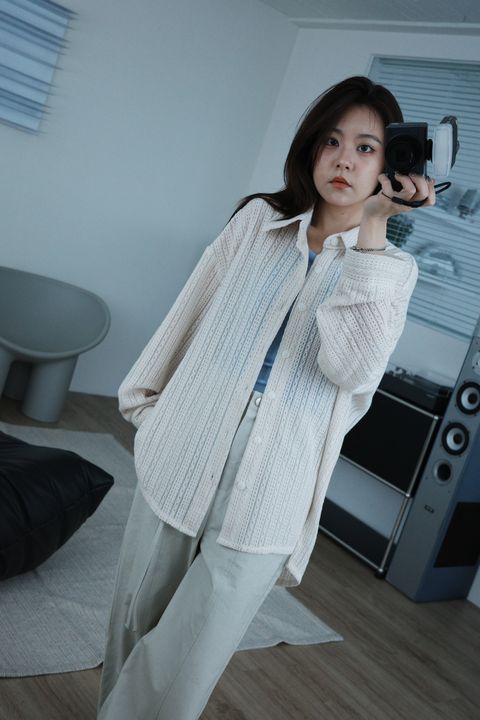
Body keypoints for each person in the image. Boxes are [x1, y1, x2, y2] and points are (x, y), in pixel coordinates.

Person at [97, 75, 434, 720]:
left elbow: (351, 369)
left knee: (187, 662)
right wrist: (149, 410)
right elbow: (189, 312)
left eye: (366, 148)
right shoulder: (258, 222)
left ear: (390, 166)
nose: (344, 160)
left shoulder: (391, 270)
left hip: (275, 485)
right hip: (185, 444)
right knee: (134, 624)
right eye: (331, 141)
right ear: (311, 148)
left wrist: (373, 231)